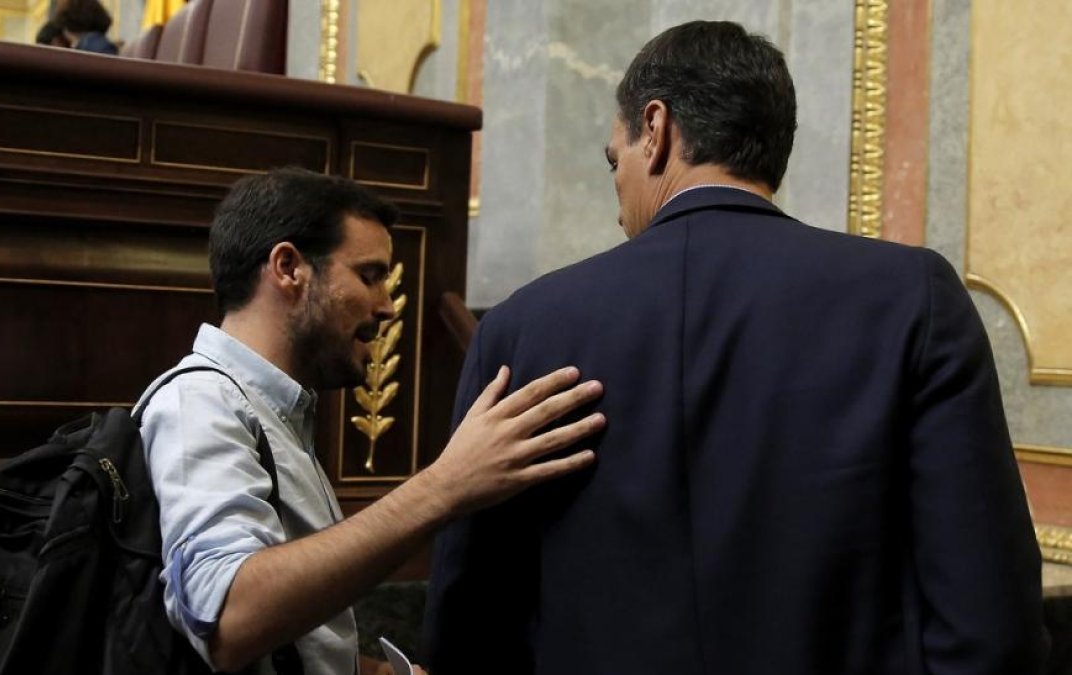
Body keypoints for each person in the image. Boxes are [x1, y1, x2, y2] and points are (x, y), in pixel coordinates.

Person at [422, 20, 1049, 675]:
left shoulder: (522, 328)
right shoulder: (912, 298)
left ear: (656, 129)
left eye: (616, 161)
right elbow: (991, 624)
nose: (617, 200)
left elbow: (469, 632)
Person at [138, 167, 606, 675]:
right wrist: (446, 486)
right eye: (370, 275)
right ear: (289, 267)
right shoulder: (199, 402)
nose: (386, 306)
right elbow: (227, 621)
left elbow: (283, 640)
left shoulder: (270, 410)